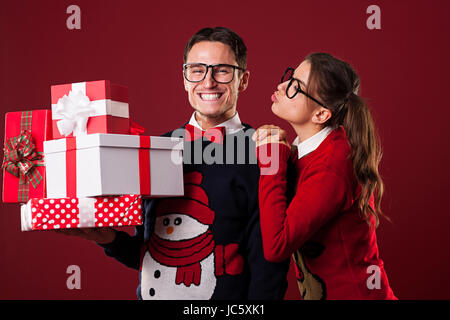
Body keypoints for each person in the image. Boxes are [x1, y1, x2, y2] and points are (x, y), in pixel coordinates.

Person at [60, 27, 289, 300]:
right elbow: (153, 254)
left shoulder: (262, 152)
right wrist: (108, 239)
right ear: (184, 78)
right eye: (196, 70)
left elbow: (268, 266)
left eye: (222, 70)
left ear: (243, 80)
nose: (208, 82)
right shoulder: (157, 150)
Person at [253, 52, 396, 299]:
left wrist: (272, 160)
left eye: (295, 87)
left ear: (321, 114)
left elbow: (277, 246)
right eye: (290, 76)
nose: (282, 85)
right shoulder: (310, 151)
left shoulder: (333, 166)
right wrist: (280, 155)